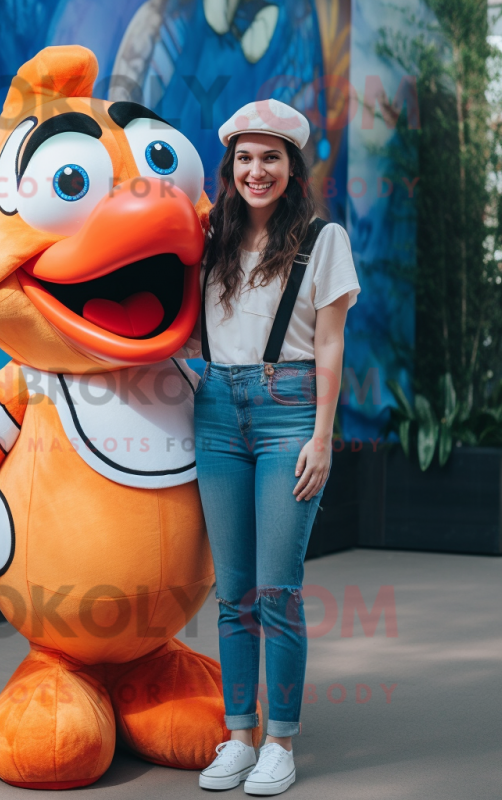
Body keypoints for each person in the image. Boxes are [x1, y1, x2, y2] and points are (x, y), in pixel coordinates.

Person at [193, 100, 361, 795]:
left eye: (271, 157)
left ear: (293, 168)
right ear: (230, 167)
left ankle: (281, 744)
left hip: (289, 410)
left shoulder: (324, 240)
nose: (255, 170)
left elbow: (329, 342)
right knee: (233, 594)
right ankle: (239, 734)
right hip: (214, 411)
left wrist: (322, 438)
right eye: (244, 158)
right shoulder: (211, 237)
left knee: (276, 592)